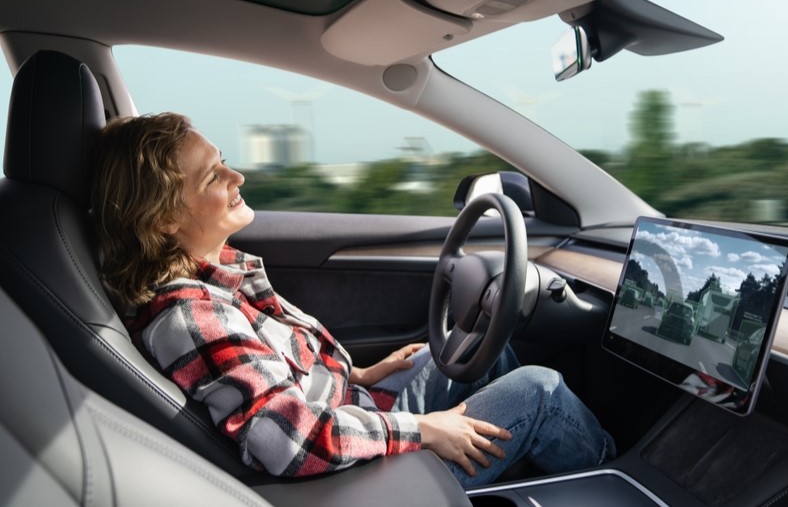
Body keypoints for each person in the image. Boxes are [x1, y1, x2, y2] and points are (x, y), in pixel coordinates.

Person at [90, 112, 615, 487]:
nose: (237, 176)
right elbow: (288, 442)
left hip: (352, 411)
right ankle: (612, 473)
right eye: (213, 175)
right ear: (163, 219)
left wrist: (360, 374)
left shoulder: (214, 277)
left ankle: (514, 471)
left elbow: (281, 379)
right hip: (349, 476)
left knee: (483, 350)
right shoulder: (192, 316)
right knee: (540, 391)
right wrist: (426, 430)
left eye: (223, 161)